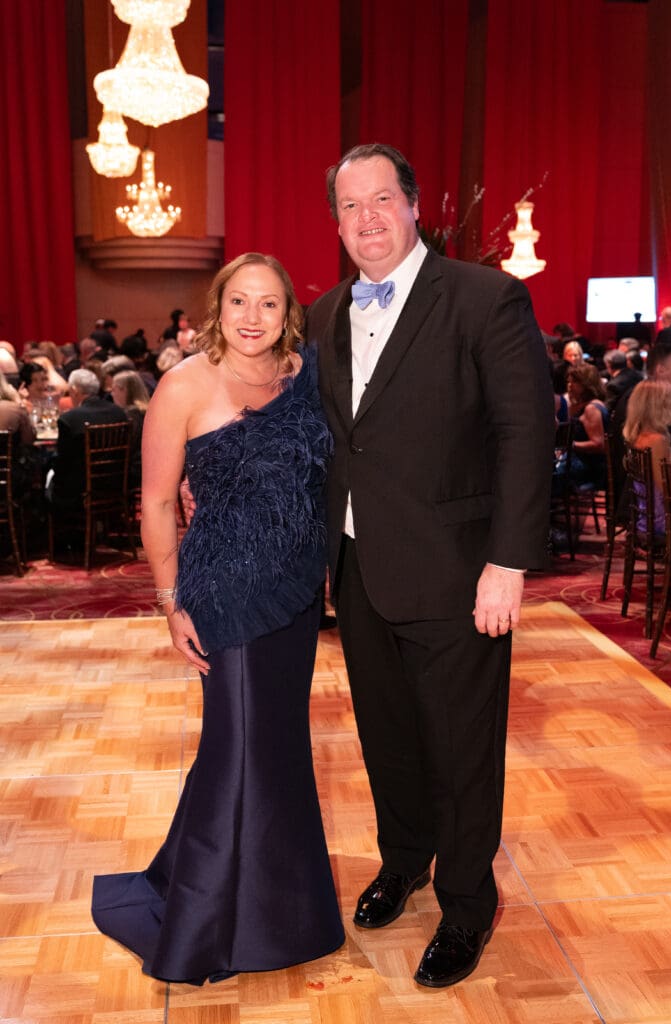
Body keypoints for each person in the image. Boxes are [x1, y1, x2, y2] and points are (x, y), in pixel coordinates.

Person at [306, 143, 554, 988]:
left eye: (382, 200)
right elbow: (330, 439)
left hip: (458, 569)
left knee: (460, 746)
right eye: (349, 206)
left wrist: (508, 562)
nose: (366, 218)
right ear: (335, 221)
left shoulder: (485, 297)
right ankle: (404, 859)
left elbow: (526, 433)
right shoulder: (324, 313)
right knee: (388, 735)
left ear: (414, 207)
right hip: (359, 566)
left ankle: (465, 904)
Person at [91, 252, 344, 984]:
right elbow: (158, 505)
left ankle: (276, 910)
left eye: (269, 303)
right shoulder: (184, 384)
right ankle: (209, 927)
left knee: (275, 749)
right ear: (217, 307)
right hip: (223, 593)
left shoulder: (305, 377)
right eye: (239, 302)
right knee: (239, 751)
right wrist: (170, 605)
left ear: (288, 312)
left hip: (294, 593)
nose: (253, 317)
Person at [48, 369, 128, 510]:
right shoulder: (119, 413)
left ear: (74, 390)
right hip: (116, 484)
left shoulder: (69, 419)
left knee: (46, 478)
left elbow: (62, 463)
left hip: (80, 490)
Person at [623, 379, 671, 535]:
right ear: (657, 408)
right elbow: (667, 490)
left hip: (646, 516)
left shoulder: (640, 436)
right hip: (660, 522)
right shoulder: (656, 441)